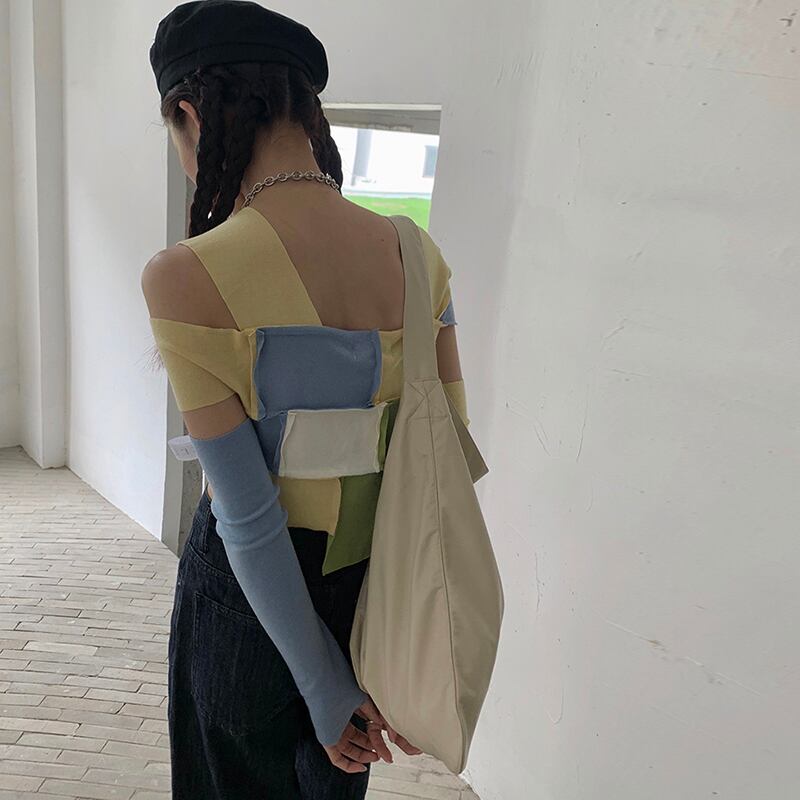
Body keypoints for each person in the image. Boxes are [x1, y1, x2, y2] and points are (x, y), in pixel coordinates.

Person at [141, 1, 470, 797]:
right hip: (368, 591)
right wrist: (381, 652)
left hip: (248, 611)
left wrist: (321, 684)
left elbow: (249, 516)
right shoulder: (416, 253)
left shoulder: (185, 275)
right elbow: (447, 451)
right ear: (305, 109)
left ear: (190, 112)